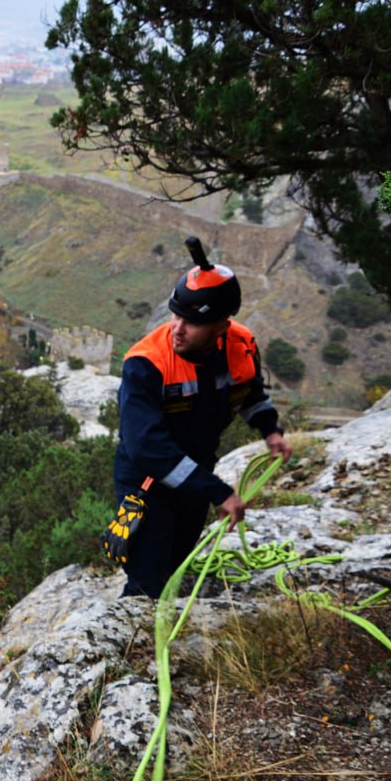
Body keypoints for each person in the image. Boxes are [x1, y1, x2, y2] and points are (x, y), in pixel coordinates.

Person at [113, 237, 292, 598]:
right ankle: (138, 645)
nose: (177, 328)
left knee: (178, 564)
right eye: (176, 315)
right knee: (148, 580)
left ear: (221, 327)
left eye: (192, 322)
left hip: (195, 475)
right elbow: (146, 445)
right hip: (147, 481)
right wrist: (217, 491)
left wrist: (270, 430)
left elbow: (249, 392)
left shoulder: (241, 346)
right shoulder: (146, 363)